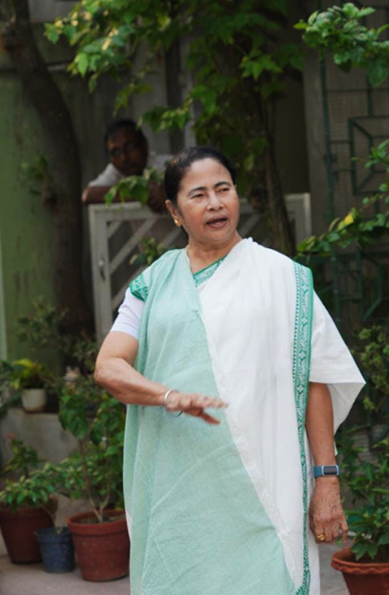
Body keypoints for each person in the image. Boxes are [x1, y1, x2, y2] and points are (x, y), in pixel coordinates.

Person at [94, 145, 365, 595]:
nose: (215, 203)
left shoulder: (282, 278)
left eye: (223, 189)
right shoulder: (154, 284)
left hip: (266, 486)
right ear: (174, 211)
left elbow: (316, 379)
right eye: (198, 195)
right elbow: (108, 366)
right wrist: (169, 396)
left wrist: (327, 481)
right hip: (181, 491)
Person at [81, 118, 165, 212]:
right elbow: (88, 195)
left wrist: (169, 192)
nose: (124, 158)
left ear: (144, 145)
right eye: (116, 152)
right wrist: (142, 194)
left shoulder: (166, 165)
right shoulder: (116, 171)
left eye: (130, 147)